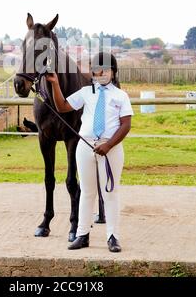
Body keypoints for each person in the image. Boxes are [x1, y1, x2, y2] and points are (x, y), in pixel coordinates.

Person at [45, 52, 133, 252]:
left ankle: (112, 237)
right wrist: (55, 84)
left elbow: (125, 125)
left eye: (103, 69)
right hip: (86, 147)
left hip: (110, 148)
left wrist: (108, 145)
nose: (99, 72)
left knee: (110, 192)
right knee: (86, 192)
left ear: (113, 71)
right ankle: (82, 235)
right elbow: (62, 106)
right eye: (95, 69)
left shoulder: (121, 96)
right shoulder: (86, 92)